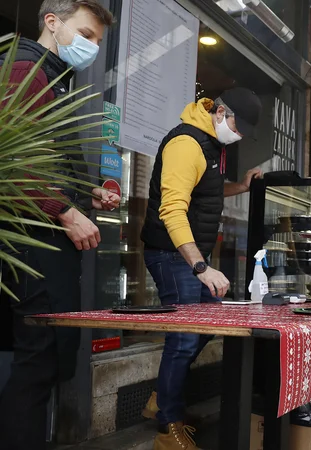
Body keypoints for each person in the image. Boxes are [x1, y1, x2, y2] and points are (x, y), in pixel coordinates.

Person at [0, 1, 117, 449]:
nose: (90, 47)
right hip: (35, 241)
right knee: (38, 363)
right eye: (85, 34)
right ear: (53, 21)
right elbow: (14, 163)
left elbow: (47, 160)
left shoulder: (54, 77)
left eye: (97, 42)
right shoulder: (25, 69)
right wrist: (66, 212)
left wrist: (85, 195)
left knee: (44, 363)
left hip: (43, 239)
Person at [138, 87, 263, 450]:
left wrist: (239, 187)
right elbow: (172, 210)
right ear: (221, 113)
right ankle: (168, 427)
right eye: (239, 127)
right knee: (184, 338)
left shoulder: (211, 145)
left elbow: (205, 191)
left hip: (188, 258)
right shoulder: (186, 144)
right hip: (171, 255)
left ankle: (162, 399)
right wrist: (201, 267)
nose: (239, 136)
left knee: (208, 325)